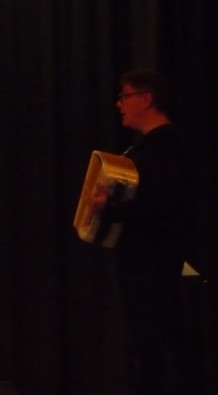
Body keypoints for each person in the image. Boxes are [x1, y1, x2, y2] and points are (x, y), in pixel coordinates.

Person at [93, 69, 191, 395]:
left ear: (146, 99)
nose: (119, 103)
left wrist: (107, 206)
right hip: (144, 266)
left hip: (154, 267)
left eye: (125, 96)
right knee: (147, 347)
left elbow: (157, 205)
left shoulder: (164, 146)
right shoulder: (146, 149)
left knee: (157, 347)